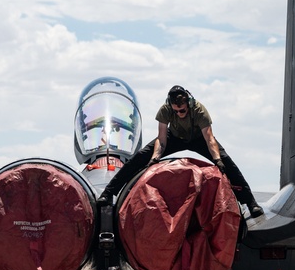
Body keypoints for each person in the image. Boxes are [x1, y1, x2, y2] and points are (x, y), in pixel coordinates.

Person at [97, 85, 263, 218]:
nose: (178, 113)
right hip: (174, 137)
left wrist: (217, 160)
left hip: (198, 137)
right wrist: (154, 158)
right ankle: (108, 193)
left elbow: (209, 138)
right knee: (139, 158)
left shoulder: (199, 111)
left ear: (188, 105)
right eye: (175, 111)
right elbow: (161, 139)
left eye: (181, 110)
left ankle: (251, 203)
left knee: (228, 164)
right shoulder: (165, 110)